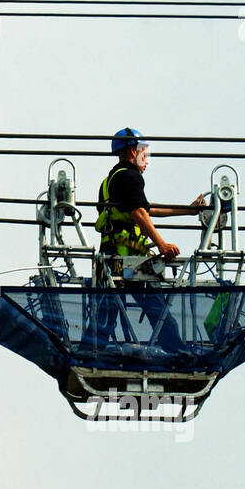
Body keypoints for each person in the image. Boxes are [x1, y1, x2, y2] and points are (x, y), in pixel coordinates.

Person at [89, 128, 206, 356]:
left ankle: (88, 352)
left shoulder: (111, 179)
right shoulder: (130, 176)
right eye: (145, 154)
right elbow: (139, 214)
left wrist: (188, 211)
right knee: (156, 306)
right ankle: (179, 354)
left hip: (112, 257)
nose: (147, 161)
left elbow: (147, 208)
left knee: (107, 312)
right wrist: (161, 244)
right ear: (133, 151)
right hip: (128, 259)